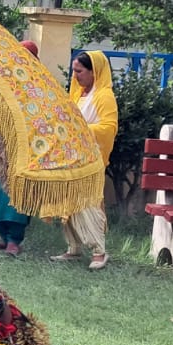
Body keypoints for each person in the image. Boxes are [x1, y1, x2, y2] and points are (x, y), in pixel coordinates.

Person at [50, 51, 117, 270]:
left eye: (79, 71)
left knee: (87, 204)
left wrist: (80, 129)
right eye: (74, 71)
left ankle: (99, 252)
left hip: (91, 159)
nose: (75, 76)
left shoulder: (104, 96)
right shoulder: (77, 94)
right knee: (69, 202)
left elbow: (109, 128)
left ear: (93, 71)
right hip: (73, 158)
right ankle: (74, 247)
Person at [0, 39, 40, 255]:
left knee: (17, 193)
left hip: (23, 147)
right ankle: (3, 237)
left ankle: (14, 240)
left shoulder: (38, 84)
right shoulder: (4, 78)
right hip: (1, 145)